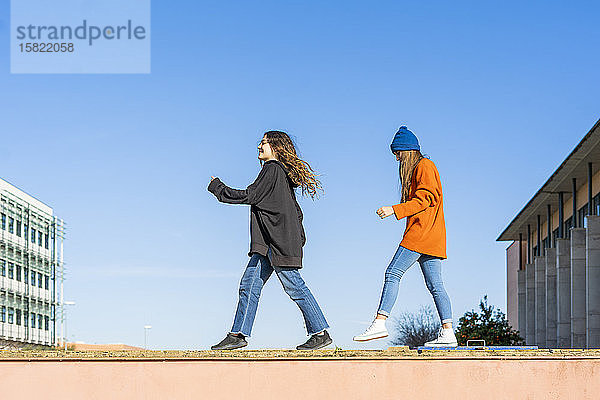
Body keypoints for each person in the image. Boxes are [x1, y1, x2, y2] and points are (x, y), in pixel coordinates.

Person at [208, 130, 332, 350]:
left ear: (276, 147)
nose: (259, 146)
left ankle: (320, 333)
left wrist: (218, 187)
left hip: (279, 241)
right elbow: (296, 211)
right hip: (269, 243)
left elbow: (250, 195)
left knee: (294, 285)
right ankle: (238, 334)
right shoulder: (279, 174)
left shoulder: (272, 169)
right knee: (249, 284)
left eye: (264, 143)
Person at [353, 126, 457, 347]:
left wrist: (394, 209)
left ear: (407, 151)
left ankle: (380, 322)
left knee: (392, 273)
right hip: (433, 235)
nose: (397, 158)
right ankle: (448, 332)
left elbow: (426, 199)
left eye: (398, 153)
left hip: (421, 233)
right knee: (435, 284)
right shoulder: (422, 167)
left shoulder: (424, 166)